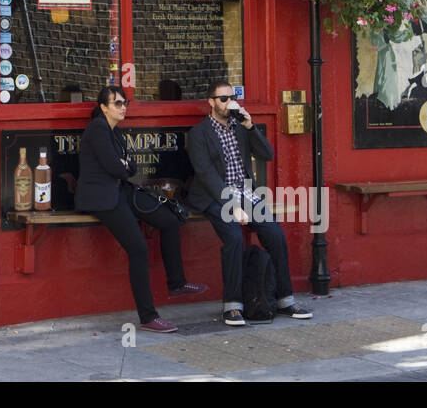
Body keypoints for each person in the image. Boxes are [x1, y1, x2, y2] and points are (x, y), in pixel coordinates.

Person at [76, 84, 206, 333]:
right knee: (138, 249)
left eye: (125, 103)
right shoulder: (98, 129)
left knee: (170, 219)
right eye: (117, 103)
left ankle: (177, 283)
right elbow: (117, 168)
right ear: (103, 107)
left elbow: (132, 167)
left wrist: (124, 165)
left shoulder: (114, 131)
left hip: (122, 191)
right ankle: (148, 316)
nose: (123, 107)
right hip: (102, 198)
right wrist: (124, 165)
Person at [185, 80, 312, 326]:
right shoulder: (199, 133)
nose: (228, 103)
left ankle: (285, 299)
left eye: (231, 97)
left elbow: (267, 154)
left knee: (275, 234)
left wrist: (251, 126)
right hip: (214, 195)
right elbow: (206, 174)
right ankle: (232, 306)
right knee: (233, 237)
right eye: (223, 99)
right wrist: (232, 206)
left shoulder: (241, 127)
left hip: (245, 192)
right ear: (210, 102)